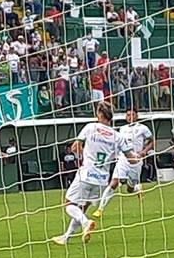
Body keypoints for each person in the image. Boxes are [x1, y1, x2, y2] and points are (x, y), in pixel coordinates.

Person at [52, 101, 137, 246]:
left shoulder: (90, 127)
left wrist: (80, 152)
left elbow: (75, 147)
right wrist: (140, 156)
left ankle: (86, 223)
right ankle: (66, 237)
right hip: (102, 180)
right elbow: (132, 159)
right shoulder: (118, 136)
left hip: (86, 174)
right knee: (82, 207)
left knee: (69, 204)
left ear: (99, 114)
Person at [93, 107, 153, 219]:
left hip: (136, 161)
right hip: (123, 159)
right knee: (114, 183)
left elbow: (152, 141)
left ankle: (137, 188)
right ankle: (100, 209)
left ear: (137, 116)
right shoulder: (122, 129)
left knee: (130, 188)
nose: (130, 117)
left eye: (132, 115)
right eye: (128, 115)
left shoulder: (143, 128)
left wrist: (144, 151)